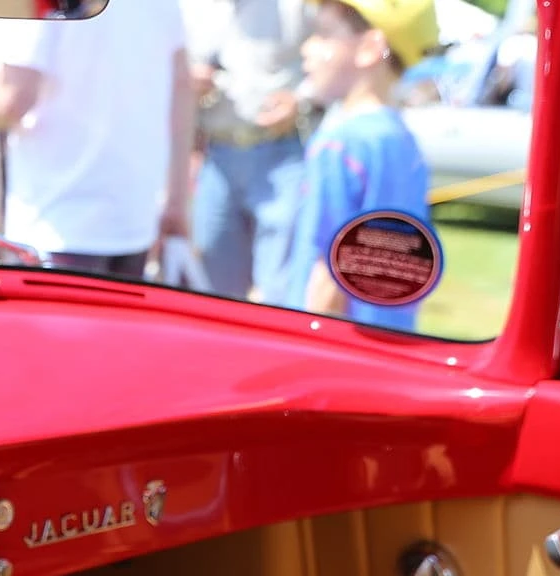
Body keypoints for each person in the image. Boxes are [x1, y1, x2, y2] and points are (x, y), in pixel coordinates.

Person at [0, 7, 193, 281]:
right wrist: (176, 201)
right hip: (131, 222)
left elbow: (10, 101)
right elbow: (182, 84)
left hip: (57, 225)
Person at [281, 0, 436, 330]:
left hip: (332, 339)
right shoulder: (401, 140)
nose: (307, 47)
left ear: (369, 48)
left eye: (323, 35)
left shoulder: (339, 144)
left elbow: (328, 266)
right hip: (388, 335)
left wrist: (307, 340)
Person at [180, 0, 309, 302]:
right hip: (217, 157)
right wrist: (191, 82)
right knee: (213, 285)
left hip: (280, 153)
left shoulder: (297, 7)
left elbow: (327, 62)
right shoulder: (193, 9)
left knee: (279, 286)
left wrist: (300, 100)